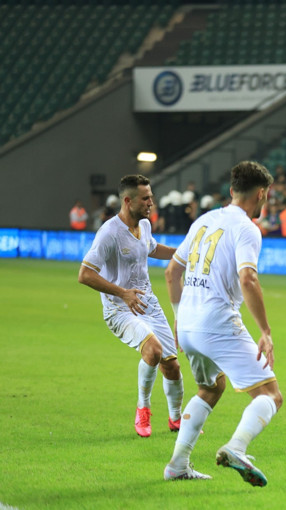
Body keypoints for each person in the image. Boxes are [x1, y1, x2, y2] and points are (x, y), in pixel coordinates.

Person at [163, 161, 282, 485]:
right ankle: (236, 447)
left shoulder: (204, 220)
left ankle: (177, 465)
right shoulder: (246, 228)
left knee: (211, 386)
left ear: (231, 191)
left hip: (187, 322)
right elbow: (248, 278)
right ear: (261, 194)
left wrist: (177, 316)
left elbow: (172, 272)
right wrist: (265, 332)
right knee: (270, 395)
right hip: (216, 321)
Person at [78, 175, 184, 438]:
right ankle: (143, 409)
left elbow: (152, 247)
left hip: (147, 302)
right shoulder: (109, 233)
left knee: (172, 365)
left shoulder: (144, 225)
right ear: (128, 201)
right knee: (153, 350)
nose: (151, 202)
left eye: (151, 196)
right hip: (119, 308)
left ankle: (176, 419)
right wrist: (122, 293)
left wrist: (182, 253)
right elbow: (85, 274)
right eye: (146, 198)